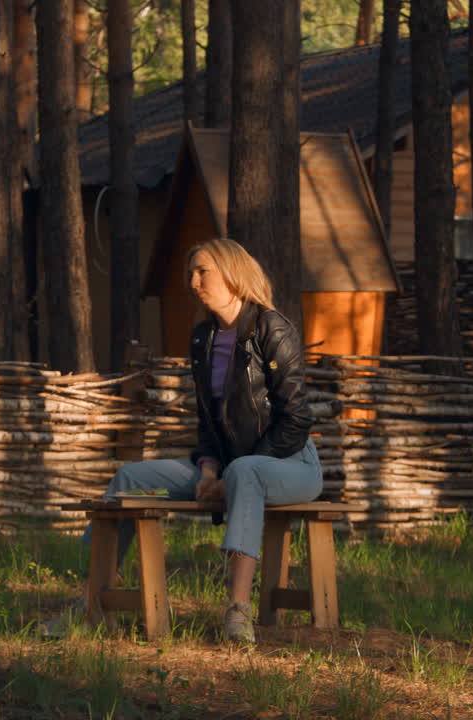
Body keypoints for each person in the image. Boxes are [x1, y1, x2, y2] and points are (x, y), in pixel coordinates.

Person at [73, 238, 323, 644]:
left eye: (202, 271)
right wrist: (208, 470)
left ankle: (238, 611)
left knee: (246, 470)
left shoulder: (271, 328)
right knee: (129, 476)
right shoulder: (203, 339)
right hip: (226, 468)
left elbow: (296, 419)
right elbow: (208, 421)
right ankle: (89, 605)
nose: (193, 281)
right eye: (191, 273)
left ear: (232, 274)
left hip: (291, 466)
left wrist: (236, 474)